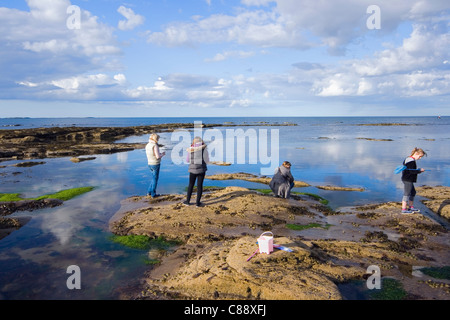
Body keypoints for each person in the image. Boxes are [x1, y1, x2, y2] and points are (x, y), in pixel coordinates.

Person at [183, 137, 209, 207]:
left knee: (191, 185)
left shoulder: (190, 149)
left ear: (193, 142)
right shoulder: (204, 149)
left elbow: (187, 160)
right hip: (201, 169)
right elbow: (207, 160)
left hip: (192, 169)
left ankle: (188, 201)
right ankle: (198, 203)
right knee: (199, 186)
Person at [401, 147, 426, 214]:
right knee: (407, 194)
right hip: (407, 179)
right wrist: (420, 170)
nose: (420, 158)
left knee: (413, 192)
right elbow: (411, 171)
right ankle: (403, 209)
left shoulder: (409, 159)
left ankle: (411, 207)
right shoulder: (411, 161)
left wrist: (418, 170)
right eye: (420, 156)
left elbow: (410, 170)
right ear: (416, 153)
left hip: (408, 179)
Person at [145, 133, 166, 198]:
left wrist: (159, 154)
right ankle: (153, 194)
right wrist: (162, 154)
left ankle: (149, 192)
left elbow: (153, 154)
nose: (158, 140)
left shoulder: (148, 145)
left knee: (153, 178)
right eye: (158, 139)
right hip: (155, 164)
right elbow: (157, 156)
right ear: (156, 139)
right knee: (155, 179)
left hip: (149, 163)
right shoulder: (155, 145)